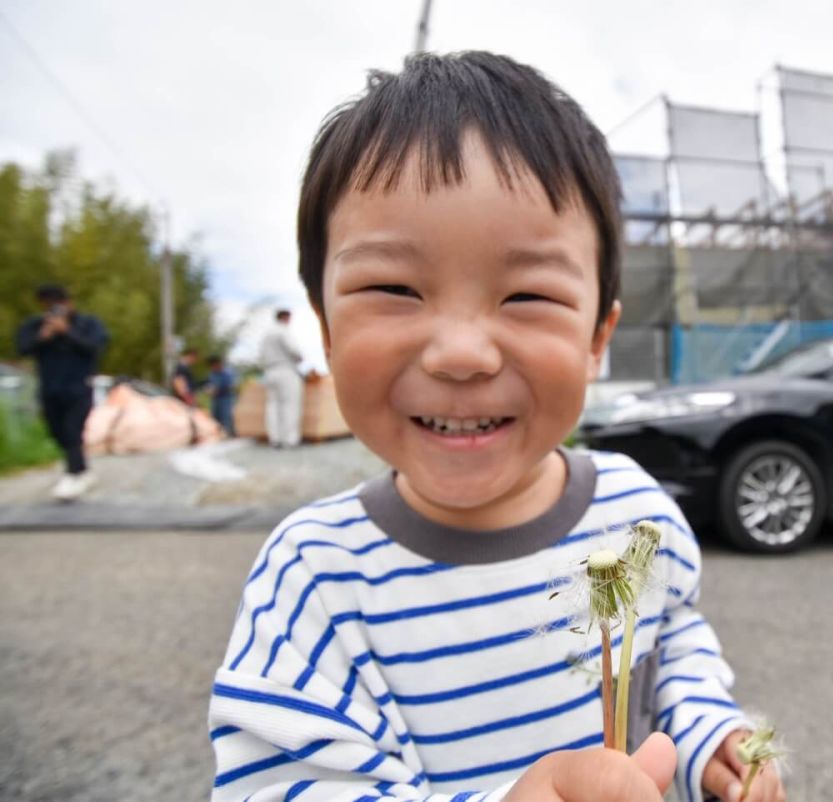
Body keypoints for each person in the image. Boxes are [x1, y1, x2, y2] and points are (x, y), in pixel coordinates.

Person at [207, 52, 785, 802]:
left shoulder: (634, 517)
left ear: (596, 337)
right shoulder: (315, 580)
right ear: (324, 328)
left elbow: (672, 649)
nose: (460, 354)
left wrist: (711, 733)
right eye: (392, 287)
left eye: (527, 295)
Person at [15, 283, 109, 501]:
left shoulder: (87, 324)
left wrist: (67, 331)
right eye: (48, 305)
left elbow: (94, 348)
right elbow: (22, 348)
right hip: (49, 388)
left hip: (79, 387)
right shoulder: (36, 325)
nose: (53, 310)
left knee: (72, 430)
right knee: (57, 432)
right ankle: (84, 471)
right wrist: (43, 336)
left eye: (58, 304)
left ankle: (72, 476)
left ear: (69, 303)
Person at [258, 308, 304, 448]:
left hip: (269, 371)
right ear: (286, 317)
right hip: (285, 370)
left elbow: (260, 356)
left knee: (272, 406)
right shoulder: (283, 331)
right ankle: (290, 440)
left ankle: (275, 439)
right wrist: (300, 358)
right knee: (289, 404)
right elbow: (295, 351)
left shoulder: (266, 334)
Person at [205, 354, 237, 436]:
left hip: (226, 398)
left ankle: (229, 433)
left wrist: (217, 389)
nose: (213, 367)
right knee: (215, 417)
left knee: (226, 416)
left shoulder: (227, 373)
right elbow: (210, 384)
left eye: (214, 365)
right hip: (216, 399)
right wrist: (209, 390)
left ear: (218, 363)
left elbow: (230, 386)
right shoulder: (212, 374)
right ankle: (217, 434)